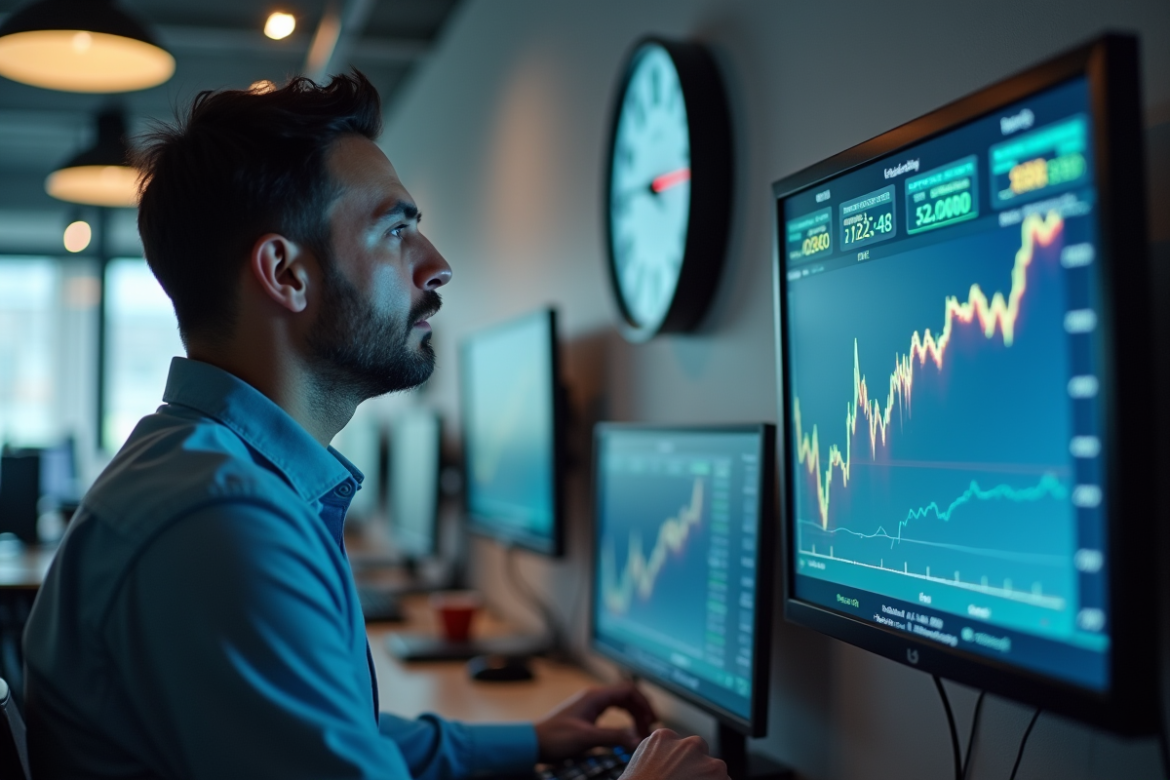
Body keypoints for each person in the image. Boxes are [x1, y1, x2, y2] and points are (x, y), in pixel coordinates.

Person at [21, 73, 729, 780]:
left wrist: (531, 741)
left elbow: (329, 732)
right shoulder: (221, 522)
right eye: (398, 231)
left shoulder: (214, 479)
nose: (438, 266)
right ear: (285, 274)